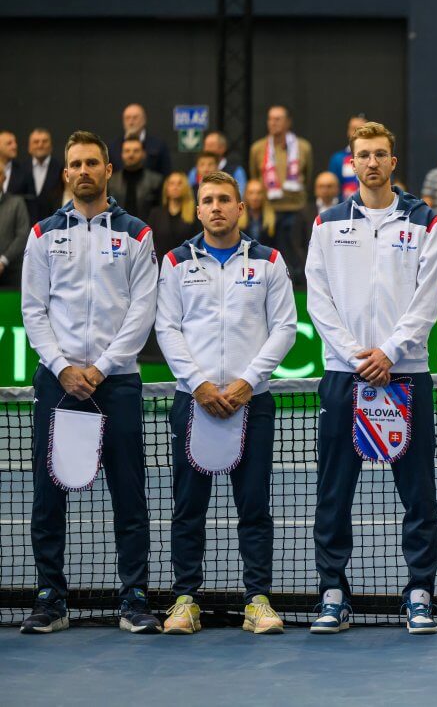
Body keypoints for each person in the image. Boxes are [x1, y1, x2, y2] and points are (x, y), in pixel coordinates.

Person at [306, 121, 437, 635]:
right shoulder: (326, 224)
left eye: (380, 154)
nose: (371, 162)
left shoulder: (426, 221)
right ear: (352, 162)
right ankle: (333, 592)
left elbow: (426, 301)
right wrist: (356, 356)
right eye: (363, 154)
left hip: (406, 376)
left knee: (419, 493)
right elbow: (318, 299)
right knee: (333, 493)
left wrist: (389, 352)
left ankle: (419, 592)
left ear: (393, 161)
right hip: (344, 377)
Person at [19, 131, 160, 634]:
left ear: (107, 170)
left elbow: (143, 310)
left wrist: (102, 367)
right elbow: (33, 309)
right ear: (65, 173)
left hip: (116, 383)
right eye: (75, 164)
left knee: (129, 494)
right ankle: (50, 599)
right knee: (47, 495)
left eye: (92, 163)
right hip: (57, 383)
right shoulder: (42, 234)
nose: (83, 171)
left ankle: (134, 598)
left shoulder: (137, 234)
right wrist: (62, 367)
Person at [154, 171, 297, 635]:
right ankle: (185, 600)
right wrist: (197, 384)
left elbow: (285, 328)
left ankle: (257, 600)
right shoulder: (175, 262)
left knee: (254, 507)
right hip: (192, 403)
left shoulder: (269, 261)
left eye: (224, 199)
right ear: (197, 210)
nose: (216, 207)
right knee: (187, 509)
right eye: (208, 200)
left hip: (252, 404)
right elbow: (166, 328)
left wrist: (248, 383)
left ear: (241, 208)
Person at [248, 105, 313, 248]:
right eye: (270, 119)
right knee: (266, 252)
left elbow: (307, 177)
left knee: (294, 254)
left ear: (288, 122)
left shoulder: (303, 147)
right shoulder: (257, 148)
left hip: (295, 209)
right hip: (267, 210)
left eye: (277, 119)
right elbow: (254, 177)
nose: (273, 123)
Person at [147, 172, 199, 264]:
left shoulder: (194, 214)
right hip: (160, 265)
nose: (175, 187)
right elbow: (150, 243)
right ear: (166, 188)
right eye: (172, 183)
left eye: (179, 183)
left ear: (185, 188)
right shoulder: (156, 214)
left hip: (186, 265)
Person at [107, 138, 164, 219]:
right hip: (116, 226)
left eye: (136, 151)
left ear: (143, 154)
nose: (131, 155)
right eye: (127, 151)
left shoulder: (156, 181)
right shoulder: (111, 181)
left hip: (147, 226)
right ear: (121, 154)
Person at [110, 103, 172, 175]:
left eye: (135, 118)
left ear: (144, 120)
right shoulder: (113, 147)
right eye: (127, 118)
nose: (131, 122)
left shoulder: (159, 146)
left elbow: (167, 175)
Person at [19, 128, 66, 221]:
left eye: (44, 141)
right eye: (36, 142)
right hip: (26, 224)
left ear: (51, 146)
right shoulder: (20, 169)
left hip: (53, 223)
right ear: (29, 147)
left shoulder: (61, 169)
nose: (40, 145)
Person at [0, 168, 31, 287]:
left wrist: (3, 260)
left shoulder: (17, 203)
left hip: (12, 273)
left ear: (4, 177)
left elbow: (23, 235)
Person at [327, 114, 367, 200]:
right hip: (344, 205)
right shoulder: (337, 159)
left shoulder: (375, 158)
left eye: (361, 129)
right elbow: (332, 188)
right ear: (348, 131)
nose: (357, 133)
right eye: (353, 129)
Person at [238, 179, 279, 249]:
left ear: (264, 195)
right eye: (251, 193)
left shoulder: (274, 218)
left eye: (259, 193)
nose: (255, 197)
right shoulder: (237, 219)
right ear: (245, 196)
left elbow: (278, 246)